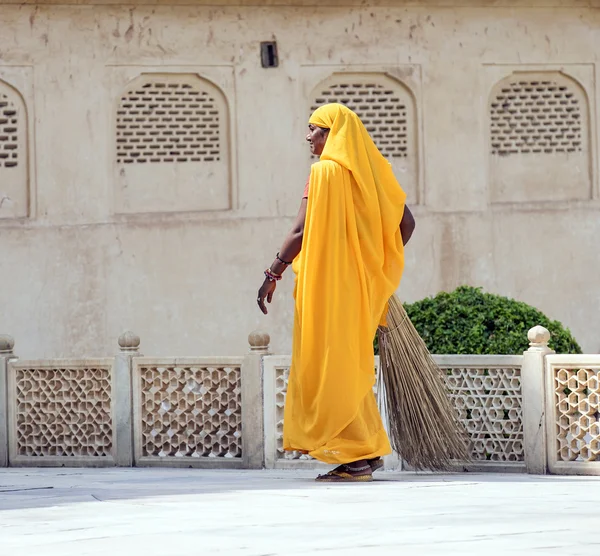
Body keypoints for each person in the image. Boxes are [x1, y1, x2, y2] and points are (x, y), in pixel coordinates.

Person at [257, 103, 415, 482]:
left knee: (330, 366)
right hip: (358, 290)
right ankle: (367, 451)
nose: (308, 136)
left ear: (333, 135)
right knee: (349, 363)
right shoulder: (373, 173)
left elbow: (299, 231)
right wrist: (370, 266)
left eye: (316, 129)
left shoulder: (323, 172)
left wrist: (272, 273)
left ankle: (356, 457)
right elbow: (405, 223)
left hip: (328, 290)